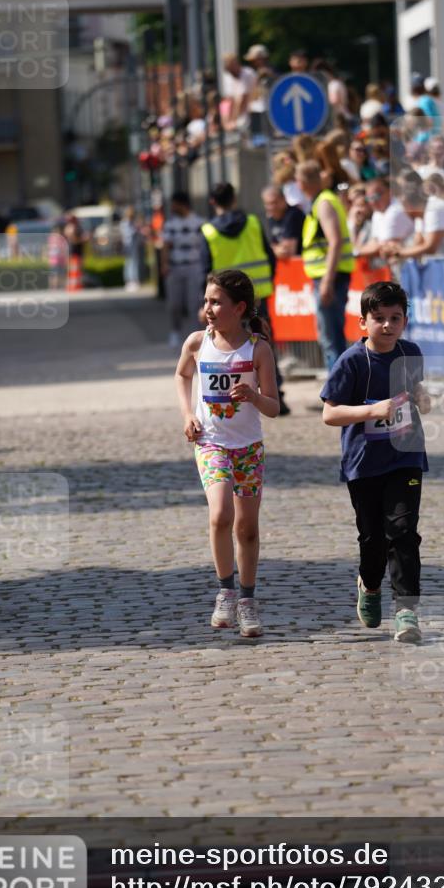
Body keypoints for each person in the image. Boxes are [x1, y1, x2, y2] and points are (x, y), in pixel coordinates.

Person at [321, 280, 431, 643]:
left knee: (403, 532)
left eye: (395, 318)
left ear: (405, 320)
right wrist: (373, 410)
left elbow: (418, 395)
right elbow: (329, 414)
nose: (387, 325)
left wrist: (423, 399)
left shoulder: (411, 352)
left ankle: (406, 611)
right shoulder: (352, 361)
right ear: (363, 322)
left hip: (406, 457)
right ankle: (369, 586)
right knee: (372, 538)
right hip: (364, 462)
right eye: (379, 318)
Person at [174, 269, 279, 637]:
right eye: (206, 301)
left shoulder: (258, 348)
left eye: (216, 302)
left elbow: (273, 407)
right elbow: (183, 375)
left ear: (239, 308)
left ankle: (248, 601)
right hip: (211, 442)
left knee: (246, 528)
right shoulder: (197, 342)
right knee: (220, 513)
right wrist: (188, 415)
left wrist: (253, 396)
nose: (208, 308)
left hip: (248, 447)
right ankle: (225, 591)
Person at [199, 181, 289, 415]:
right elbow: (269, 257)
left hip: (225, 303)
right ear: (234, 198)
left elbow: (205, 269)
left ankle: (230, 396)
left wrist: (207, 302)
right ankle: (275, 394)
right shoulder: (252, 222)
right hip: (257, 297)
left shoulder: (208, 231)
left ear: (212, 202)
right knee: (264, 342)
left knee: (227, 346)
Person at [295, 160, 356, 370]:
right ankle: (338, 387)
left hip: (330, 277)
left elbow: (335, 240)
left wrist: (327, 282)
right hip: (328, 276)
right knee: (329, 335)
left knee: (331, 338)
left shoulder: (323, 203)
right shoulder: (322, 201)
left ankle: (338, 390)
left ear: (302, 182)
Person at [161, 191, 204, 349]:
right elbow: (166, 245)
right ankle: (175, 331)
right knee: (174, 303)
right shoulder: (170, 224)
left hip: (195, 267)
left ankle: (197, 336)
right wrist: (164, 264)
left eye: (174, 204)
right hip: (175, 268)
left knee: (195, 303)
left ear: (182, 204)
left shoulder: (200, 223)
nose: (171, 207)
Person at [355, 176, 413, 260]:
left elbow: (380, 247)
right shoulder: (378, 213)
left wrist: (353, 252)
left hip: (412, 265)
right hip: (399, 267)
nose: (372, 202)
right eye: (369, 198)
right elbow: (375, 242)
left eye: (375, 196)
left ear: (389, 192)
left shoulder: (395, 210)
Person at [261, 185, 305, 258]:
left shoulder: (293, 215)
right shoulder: (272, 218)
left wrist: (270, 250)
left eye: (274, 202)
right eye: (267, 204)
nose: (271, 207)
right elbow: (273, 245)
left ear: (284, 199)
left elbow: (287, 252)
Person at [221, 53, 257, 131]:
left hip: (251, 110)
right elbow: (228, 101)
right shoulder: (228, 77)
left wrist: (234, 120)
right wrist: (226, 122)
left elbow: (243, 98)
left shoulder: (247, 73)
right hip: (239, 113)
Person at [120, 206, 141, 291]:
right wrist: (136, 229)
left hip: (132, 245)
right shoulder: (126, 223)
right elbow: (128, 233)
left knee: (133, 263)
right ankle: (130, 281)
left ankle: (133, 280)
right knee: (130, 263)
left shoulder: (130, 222)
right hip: (128, 245)